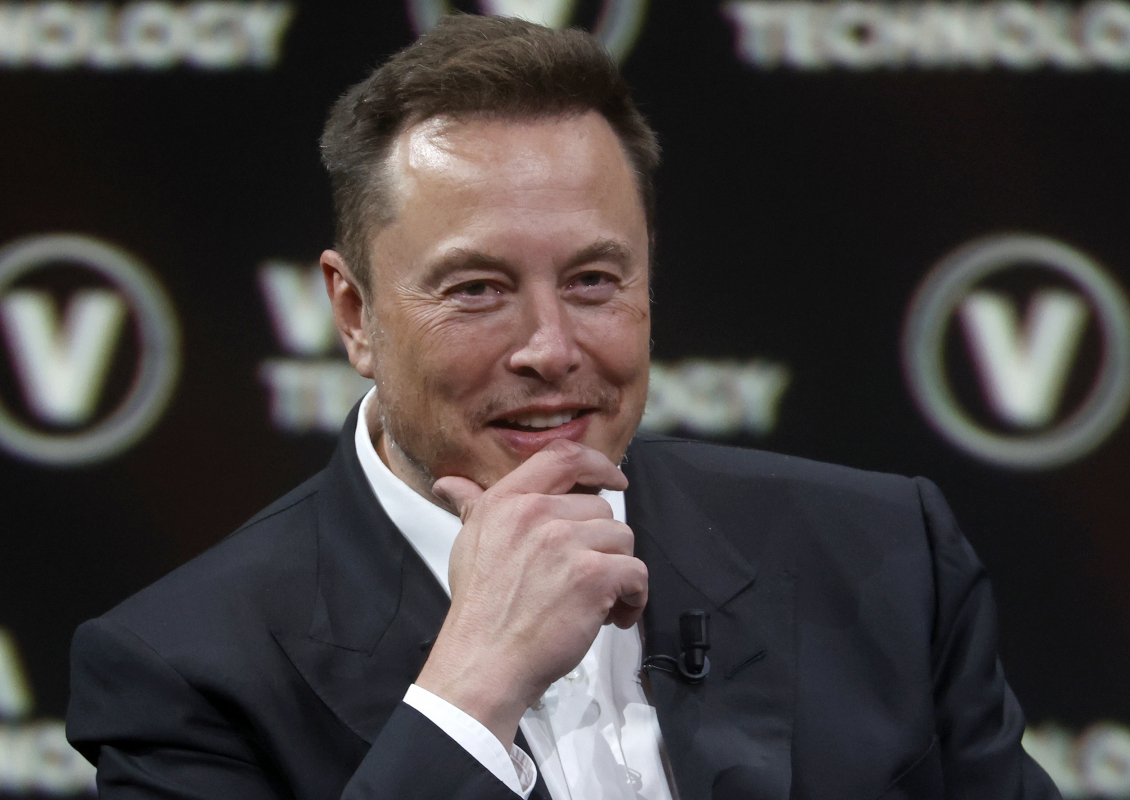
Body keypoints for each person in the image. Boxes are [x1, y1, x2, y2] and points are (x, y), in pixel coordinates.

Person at [66, 14, 1062, 800]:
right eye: (476, 290)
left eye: (592, 281)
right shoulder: (185, 671)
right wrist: (469, 689)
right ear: (355, 312)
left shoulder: (883, 557)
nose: (550, 347)